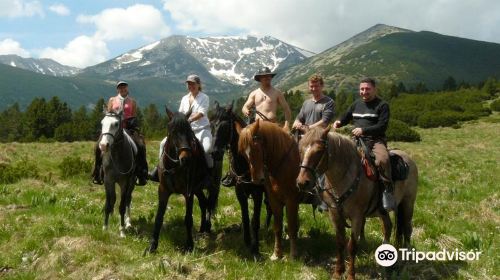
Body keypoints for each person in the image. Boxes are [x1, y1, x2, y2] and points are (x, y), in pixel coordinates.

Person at [221, 67, 292, 187]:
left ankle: (287, 174)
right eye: (264, 77)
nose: (267, 78)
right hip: (257, 127)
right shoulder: (254, 93)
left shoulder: (277, 93)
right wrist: (246, 111)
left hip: (272, 126)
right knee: (242, 143)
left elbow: (287, 109)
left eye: (269, 76)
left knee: (286, 147)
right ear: (259, 79)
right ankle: (236, 173)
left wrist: (287, 125)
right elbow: (245, 107)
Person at [333, 78, 394, 211]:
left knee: (382, 160)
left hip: (375, 141)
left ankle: (386, 192)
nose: (364, 92)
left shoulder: (382, 105)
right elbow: (346, 116)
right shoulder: (356, 104)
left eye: (367, 89)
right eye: (362, 89)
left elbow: (382, 126)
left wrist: (364, 130)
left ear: (374, 89)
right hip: (356, 140)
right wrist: (339, 122)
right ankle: (330, 195)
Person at [149, 74, 213, 181]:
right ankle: (159, 169)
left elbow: (201, 113)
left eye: (193, 83)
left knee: (207, 148)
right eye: (188, 84)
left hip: (202, 129)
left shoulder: (204, 97)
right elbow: (180, 114)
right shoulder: (184, 98)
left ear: (198, 85)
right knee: (163, 143)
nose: (190, 86)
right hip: (186, 131)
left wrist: (187, 120)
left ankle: (209, 173)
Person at [92, 81, 148, 186]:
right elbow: (109, 114)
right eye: (120, 87)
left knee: (140, 144)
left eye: (124, 87)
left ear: (127, 88)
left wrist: (129, 124)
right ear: (117, 89)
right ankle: (97, 172)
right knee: (97, 146)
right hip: (113, 129)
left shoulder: (132, 102)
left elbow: (134, 116)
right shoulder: (112, 100)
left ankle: (141, 172)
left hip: (128, 128)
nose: (122, 89)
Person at [292, 74, 335, 211]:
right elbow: (298, 118)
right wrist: (297, 123)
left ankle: (322, 200)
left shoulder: (328, 102)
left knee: (320, 168)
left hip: (320, 139)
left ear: (322, 86)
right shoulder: (306, 103)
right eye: (311, 86)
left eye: (316, 85)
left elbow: (325, 121)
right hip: (305, 140)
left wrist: (309, 128)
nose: (314, 88)